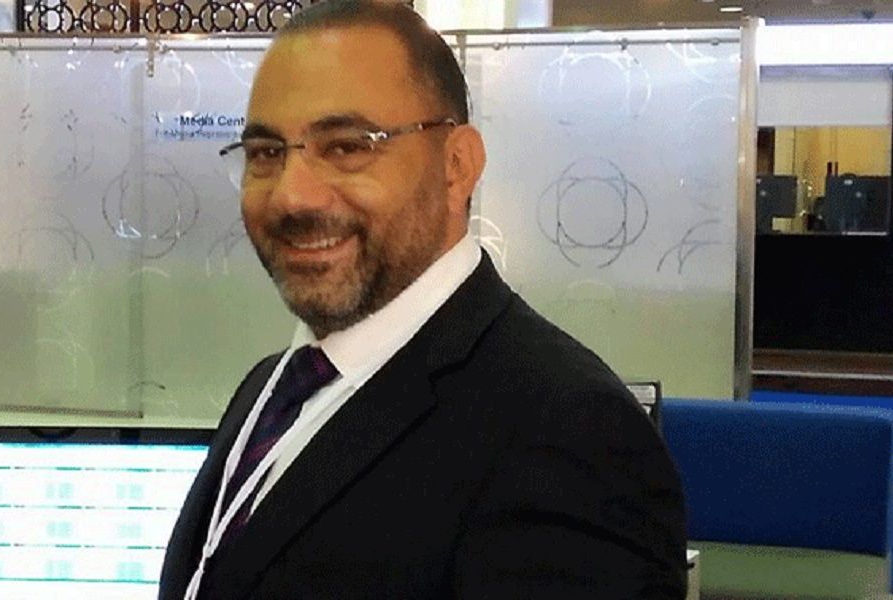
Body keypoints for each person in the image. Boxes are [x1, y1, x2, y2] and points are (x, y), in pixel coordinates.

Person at [158, 1, 687, 598]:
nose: (291, 196)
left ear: (457, 166)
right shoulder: (272, 389)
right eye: (266, 153)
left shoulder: (569, 434)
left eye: (348, 146)